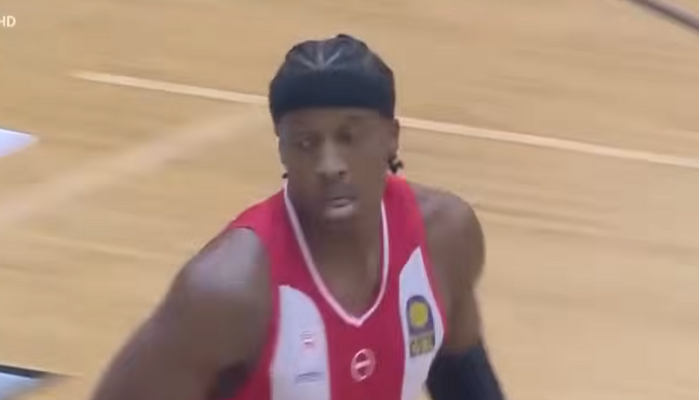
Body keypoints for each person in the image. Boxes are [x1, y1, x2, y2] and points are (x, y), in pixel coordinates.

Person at [89, 33, 506, 400]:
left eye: (349, 137)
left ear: (391, 137)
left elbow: (463, 381)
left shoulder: (445, 237)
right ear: (282, 150)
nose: (329, 165)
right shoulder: (226, 293)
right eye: (306, 142)